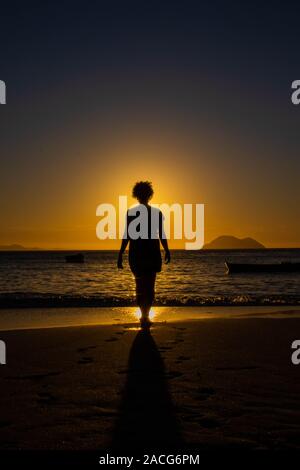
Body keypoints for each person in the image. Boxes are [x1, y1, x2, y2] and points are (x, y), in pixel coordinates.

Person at [117, 181, 170, 327]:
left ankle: (144, 315)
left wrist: (121, 253)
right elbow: (162, 234)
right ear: (150, 195)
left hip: (137, 253)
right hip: (151, 252)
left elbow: (126, 235)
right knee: (149, 285)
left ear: (136, 195)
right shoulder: (156, 213)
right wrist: (167, 250)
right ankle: (145, 315)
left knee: (140, 285)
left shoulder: (131, 213)